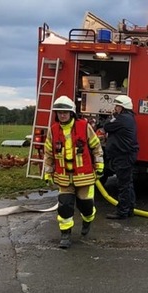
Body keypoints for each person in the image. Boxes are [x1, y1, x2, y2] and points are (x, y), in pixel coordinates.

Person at [43, 96, 104, 249]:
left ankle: (88, 219)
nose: (62, 115)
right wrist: (48, 172)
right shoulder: (53, 130)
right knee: (64, 205)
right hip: (64, 177)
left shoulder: (84, 126)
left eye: (65, 112)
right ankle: (65, 235)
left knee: (85, 205)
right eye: (59, 112)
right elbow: (48, 153)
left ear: (71, 113)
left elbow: (96, 147)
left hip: (84, 176)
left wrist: (99, 165)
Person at [99, 95, 139, 219]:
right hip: (126, 155)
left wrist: (112, 117)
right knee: (128, 184)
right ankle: (129, 209)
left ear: (122, 107)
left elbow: (107, 126)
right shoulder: (128, 118)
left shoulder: (122, 119)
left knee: (123, 185)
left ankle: (122, 212)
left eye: (117, 106)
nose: (115, 108)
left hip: (123, 156)